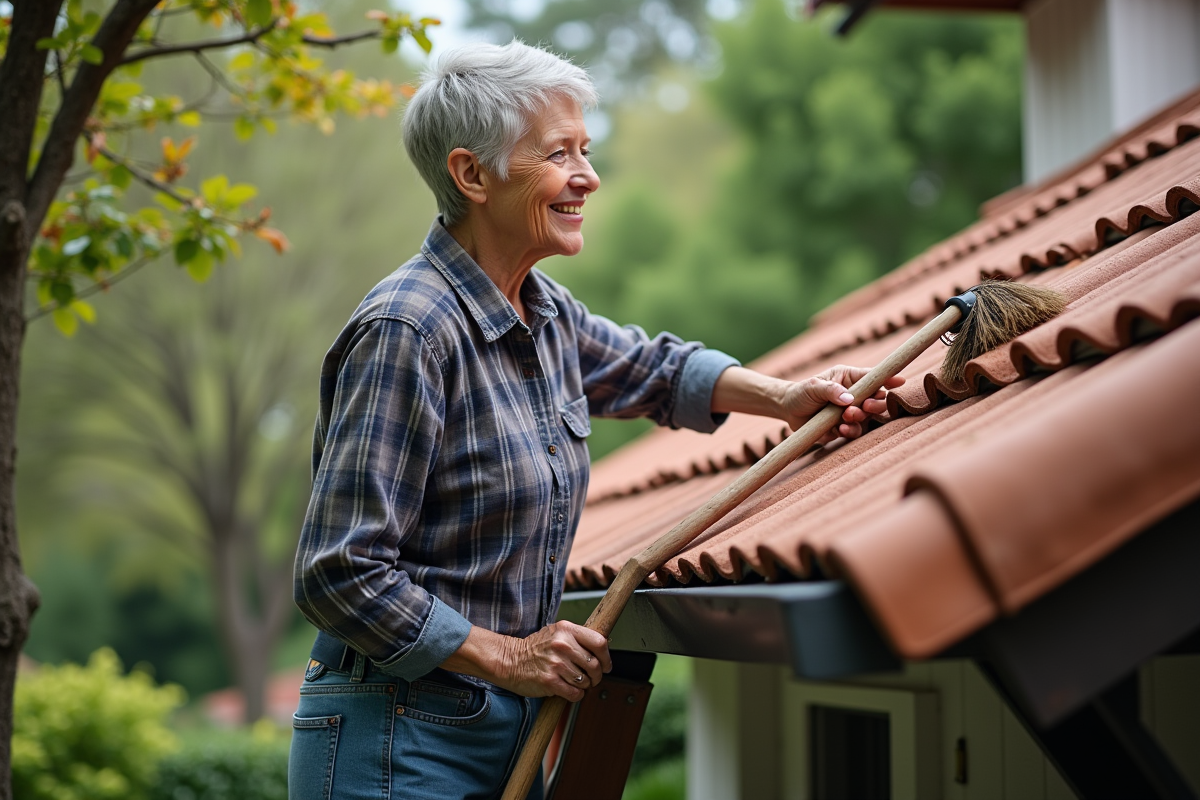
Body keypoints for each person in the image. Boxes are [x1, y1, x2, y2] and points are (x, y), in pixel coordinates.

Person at [288, 41, 900, 800]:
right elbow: (338, 573)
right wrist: (511, 658)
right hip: (395, 737)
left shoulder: (543, 314)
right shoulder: (408, 331)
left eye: (586, 150)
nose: (588, 176)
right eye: (558, 154)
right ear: (471, 174)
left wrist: (785, 398)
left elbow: (654, 369)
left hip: (501, 729)